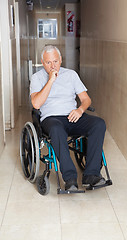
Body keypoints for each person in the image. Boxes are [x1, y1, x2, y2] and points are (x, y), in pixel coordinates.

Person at [30, 45, 106, 191]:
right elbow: (36, 103)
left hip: (72, 115)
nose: (53, 66)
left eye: (56, 61)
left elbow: (86, 99)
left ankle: (91, 175)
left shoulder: (71, 75)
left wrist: (80, 110)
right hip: (51, 118)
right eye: (48, 63)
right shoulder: (37, 78)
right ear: (42, 62)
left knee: (99, 124)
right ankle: (70, 178)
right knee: (57, 129)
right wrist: (51, 80)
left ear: (61, 60)